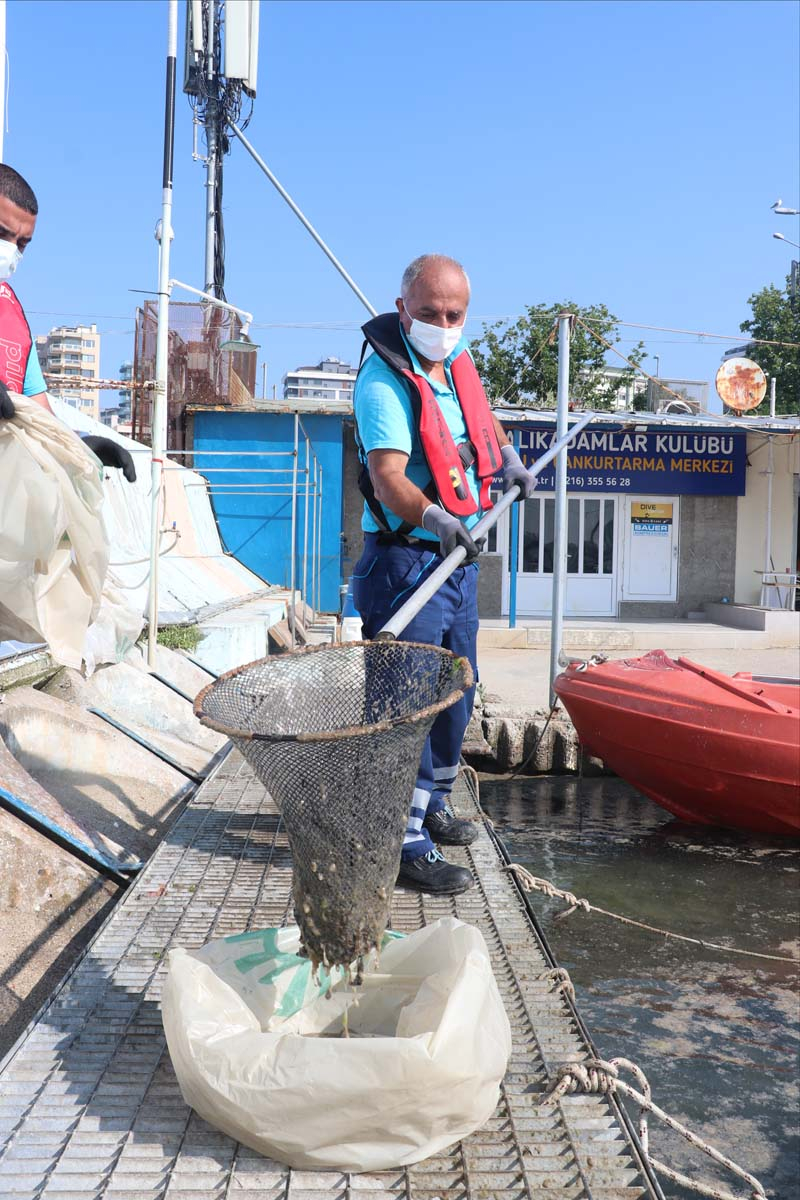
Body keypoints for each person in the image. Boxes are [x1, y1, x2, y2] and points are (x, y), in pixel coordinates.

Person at [352, 253, 536, 895]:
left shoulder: (455, 366)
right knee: (405, 707)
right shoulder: (384, 381)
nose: (442, 323)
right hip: (405, 564)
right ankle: (399, 843)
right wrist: (434, 517)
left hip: (457, 564)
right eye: (429, 313)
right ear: (403, 309)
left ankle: (431, 802)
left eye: (454, 313)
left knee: (457, 691)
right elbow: (389, 477)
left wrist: (509, 459)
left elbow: (484, 426)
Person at [0, 163, 135, 481]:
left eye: (22, 244)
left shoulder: (13, 319)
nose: (11, 251)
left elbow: (39, 417)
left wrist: (81, 445)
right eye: (2, 234)